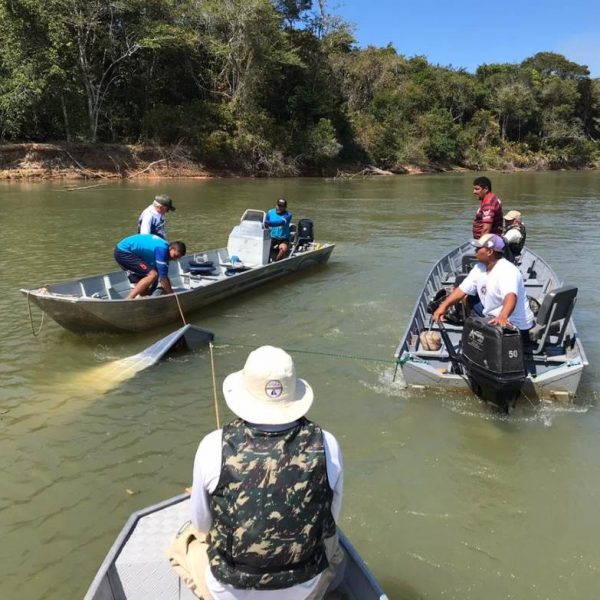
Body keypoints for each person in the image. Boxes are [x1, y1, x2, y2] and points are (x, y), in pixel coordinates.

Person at [190, 345, 344, 600]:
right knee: (336, 550)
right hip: (303, 587)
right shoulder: (328, 443)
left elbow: (202, 524)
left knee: (186, 544)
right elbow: (331, 519)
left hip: (229, 589)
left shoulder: (212, 444)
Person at [433, 234, 534, 334]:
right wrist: (443, 307)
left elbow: (511, 297)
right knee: (469, 298)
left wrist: (502, 316)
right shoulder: (479, 267)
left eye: (478, 248)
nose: (475, 251)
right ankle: (475, 325)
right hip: (493, 314)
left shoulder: (507, 270)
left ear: (489, 252)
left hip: (515, 324)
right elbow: (461, 290)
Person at [113, 233, 186, 299]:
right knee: (153, 275)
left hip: (132, 253)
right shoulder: (162, 250)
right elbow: (163, 278)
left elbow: (160, 276)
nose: (174, 259)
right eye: (175, 256)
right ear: (171, 248)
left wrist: (151, 292)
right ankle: (129, 299)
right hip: (124, 252)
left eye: (177, 258)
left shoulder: (164, 251)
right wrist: (172, 296)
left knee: (144, 291)